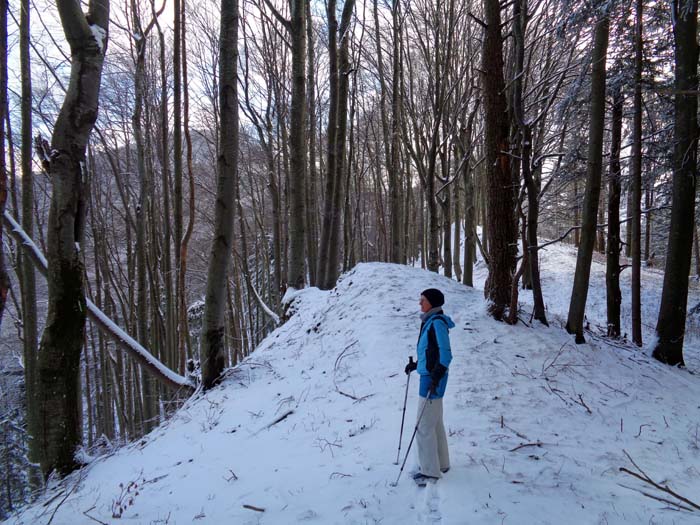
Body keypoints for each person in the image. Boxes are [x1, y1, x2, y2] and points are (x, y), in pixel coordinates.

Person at [404, 288, 454, 487]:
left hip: (433, 380)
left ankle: (429, 472)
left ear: (431, 302)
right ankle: (441, 464)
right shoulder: (429, 322)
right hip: (430, 376)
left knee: (424, 426)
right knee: (434, 422)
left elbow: (446, 354)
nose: (419, 303)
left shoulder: (437, 324)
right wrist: (416, 365)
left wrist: (435, 376)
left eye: (422, 300)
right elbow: (430, 352)